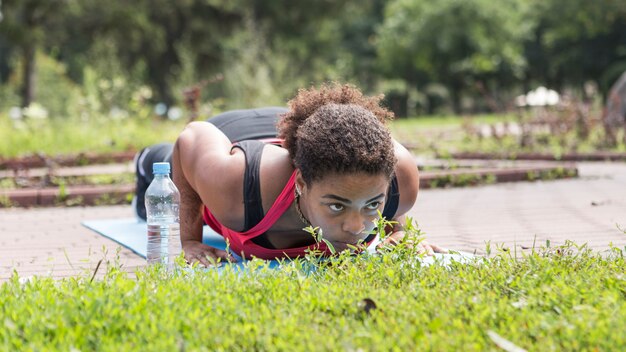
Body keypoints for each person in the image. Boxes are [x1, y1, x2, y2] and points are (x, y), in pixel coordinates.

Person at [134, 83, 446, 266]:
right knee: (163, 165)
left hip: (314, 134)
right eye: (336, 206)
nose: (356, 227)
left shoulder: (399, 178)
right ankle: (146, 157)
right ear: (300, 184)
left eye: (371, 206)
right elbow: (192, 136)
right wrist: (190, 241)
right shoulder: (236, 186)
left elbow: (387, 193)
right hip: (233, 134)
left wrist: (399, 231)